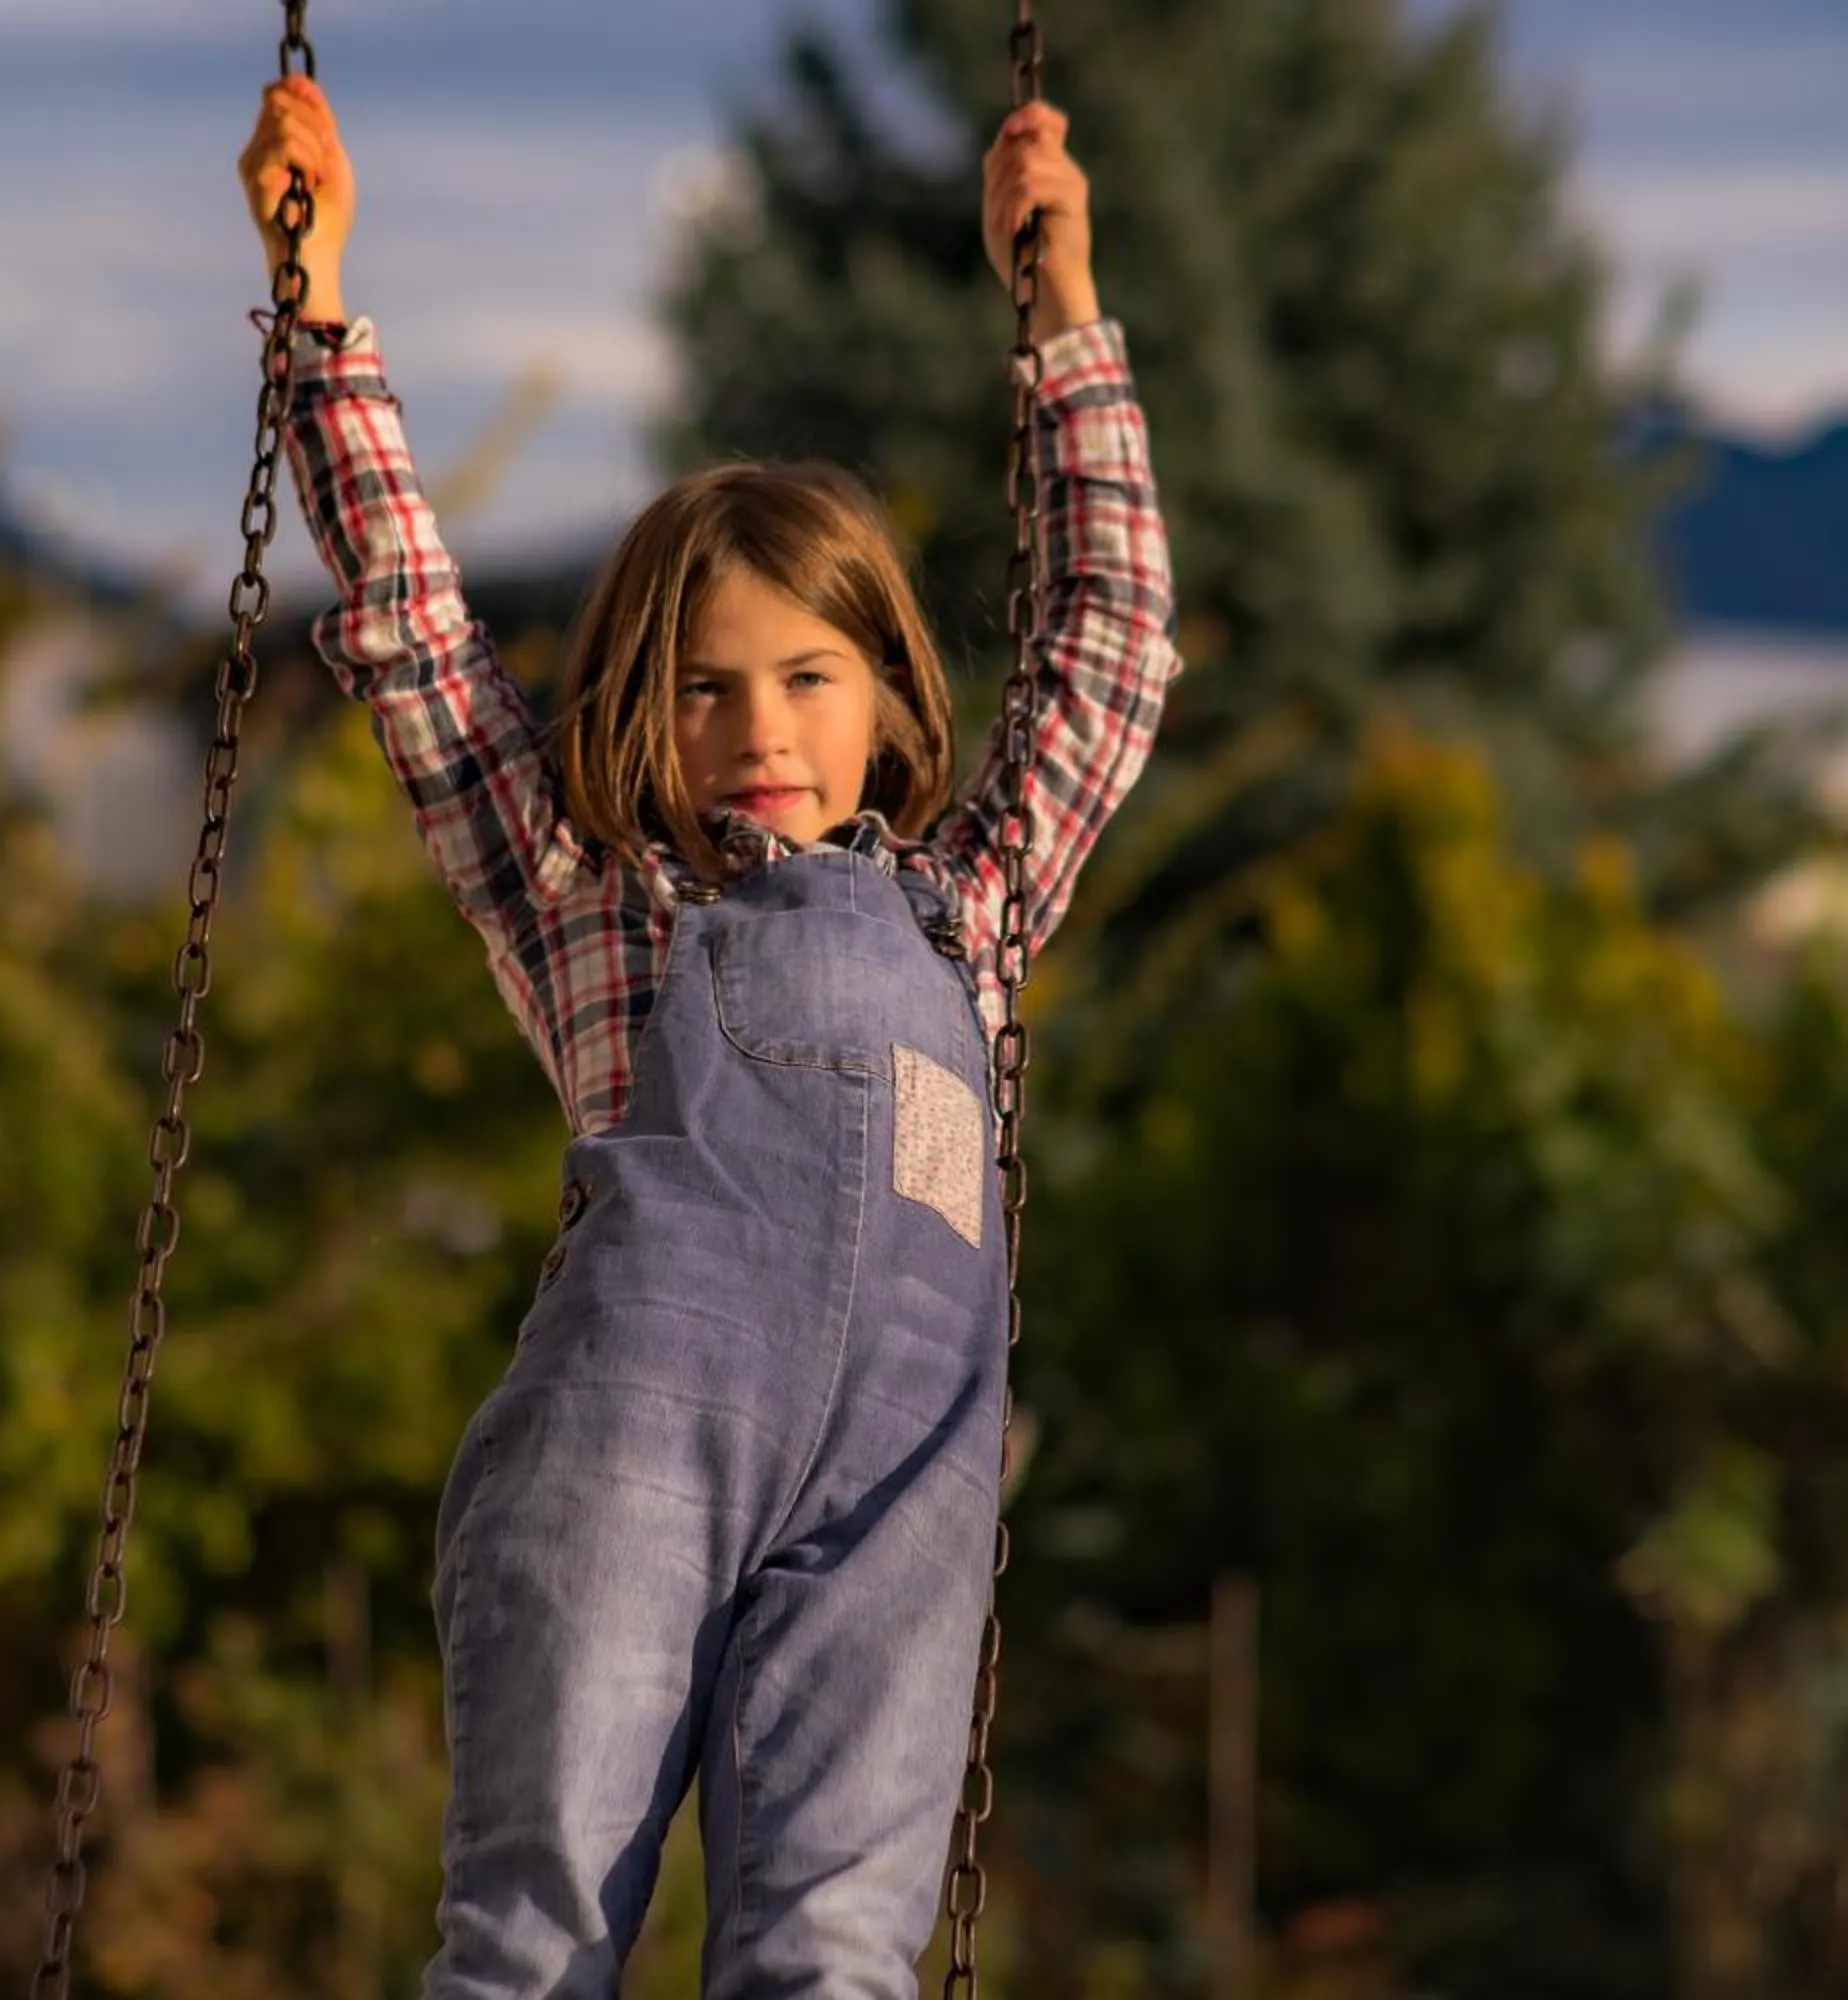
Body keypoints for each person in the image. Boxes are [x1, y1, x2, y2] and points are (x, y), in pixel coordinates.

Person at [238, 72, 1181, 1997]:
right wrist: (319, 307)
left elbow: (1110, 628)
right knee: (535, 1934)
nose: (759, 730)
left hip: (900, 1480)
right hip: (635, 1452)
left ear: (889, 699)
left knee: (835, 1958)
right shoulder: (589, 893)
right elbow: (416, 629)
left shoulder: (973, 908)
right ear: (632, 721)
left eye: (807, 677)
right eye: (702, 689)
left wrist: (1065, 312)